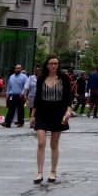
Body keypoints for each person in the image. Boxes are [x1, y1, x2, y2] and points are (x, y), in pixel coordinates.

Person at [30, 55, 73, 184]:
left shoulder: (64, 78)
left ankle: (53, 171)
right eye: (51, 63)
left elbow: (68, 97)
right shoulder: (41, 78)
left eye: (56, 63)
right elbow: (37, 98)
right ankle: (39, 172)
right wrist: (32, 115)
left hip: (58, 112)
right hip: (42, 112)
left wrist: (68, 111)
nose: (54, 65)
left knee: (54, 144)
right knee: (41, 142)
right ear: (47, 65)